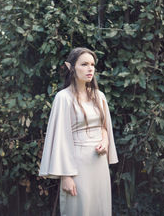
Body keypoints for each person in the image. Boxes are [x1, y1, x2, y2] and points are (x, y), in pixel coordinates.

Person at [39, 47, 118, 216]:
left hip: (99, 164)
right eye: (84, 64)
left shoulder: (99, 96)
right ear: (71, 67)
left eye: (92, 64)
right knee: (79, 210)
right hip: (77, 167)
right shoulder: (63, 97)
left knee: (100, 209)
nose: (90, 69)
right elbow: (60, 138)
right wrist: (66, 176)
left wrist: (105, 141)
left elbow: (104, 127)